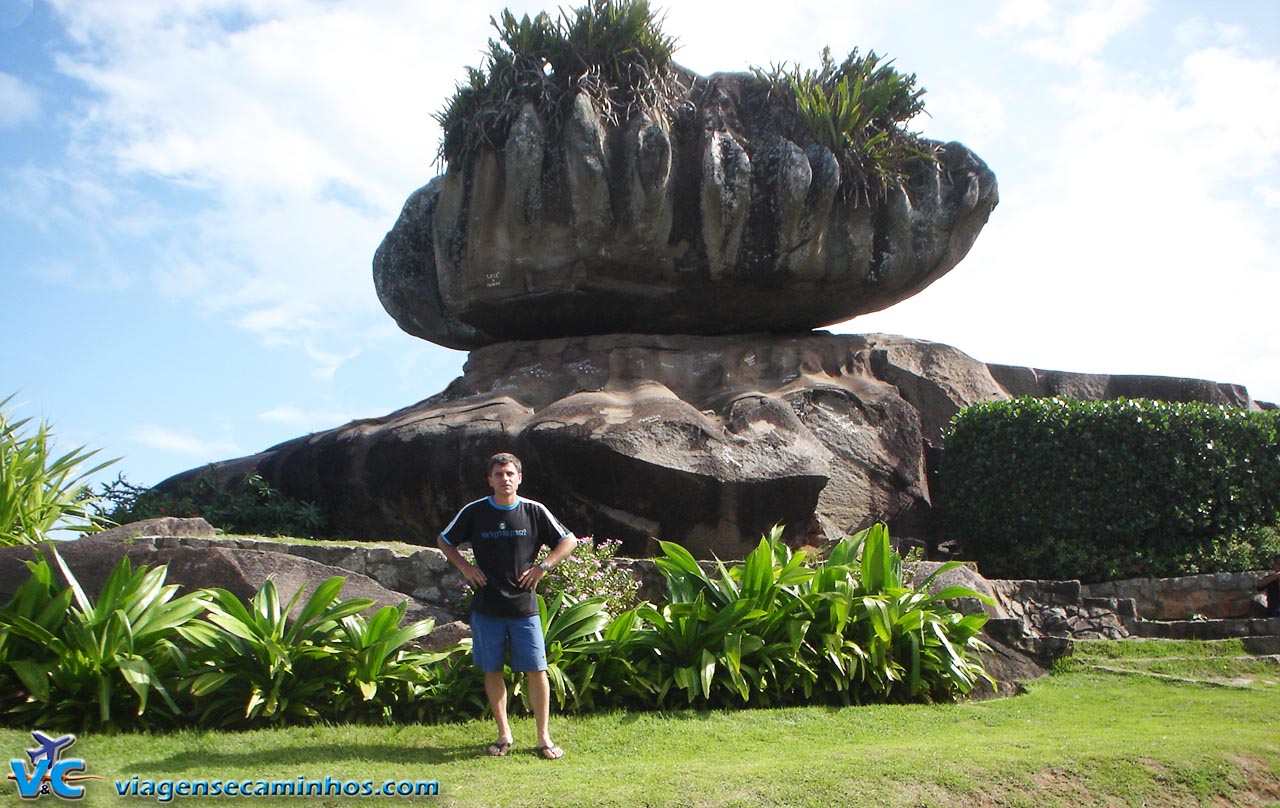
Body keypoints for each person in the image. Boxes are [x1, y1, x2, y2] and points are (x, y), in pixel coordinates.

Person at [437, 452, 579, 760]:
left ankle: (543, 738)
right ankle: (504, 735)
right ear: (490, 480)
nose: (505, 478)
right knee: (492, 670)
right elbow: (445, 540)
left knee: (537, 670)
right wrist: (465, 568)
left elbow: (568, 541)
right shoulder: (474, 512)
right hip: (486, 606)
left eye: (510, 473)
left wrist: (543, 566)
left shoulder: (534, 510)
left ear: (519, 478)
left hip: (523, 608)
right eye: (499, 474)